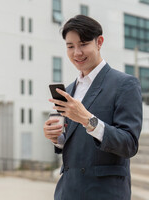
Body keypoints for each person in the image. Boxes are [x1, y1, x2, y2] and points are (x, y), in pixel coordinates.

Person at [43, 15, 142, 200]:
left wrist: (88, 120)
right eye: (70, 46)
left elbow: (129, 144)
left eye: (83, 44)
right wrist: (57, 137)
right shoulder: (70, 90)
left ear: (99, 42)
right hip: (68, 191)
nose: (77, 53)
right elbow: (74, 143)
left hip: (104, 193)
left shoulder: (125, 84)